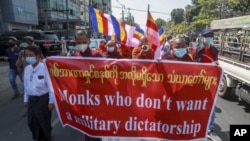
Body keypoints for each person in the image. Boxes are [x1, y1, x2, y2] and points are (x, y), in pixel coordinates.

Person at [74, 30, 103, 141]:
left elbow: (112, 67)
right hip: (81, 97)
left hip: (95, 96)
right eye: (79, 42)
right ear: (75, 42)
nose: (82, 44)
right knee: (85, 125)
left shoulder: (97, 55)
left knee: (95, 124)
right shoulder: (74, 57)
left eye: (84, 41)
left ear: (89, 40)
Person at [23, 45, 54, 141]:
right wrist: (25, 99)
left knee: (44, 122)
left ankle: (46, 138)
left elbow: (50, 87)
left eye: (31, 55)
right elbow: (26, 85)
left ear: (38, 56)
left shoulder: (45, 68)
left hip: (43, 99)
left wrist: (51, 102)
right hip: (32, 99)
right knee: (31, 122)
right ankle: (38, 137)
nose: (28, 57)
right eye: (27, 55)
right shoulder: (27, 69)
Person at [195, 28, 221, 141]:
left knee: (211, 106)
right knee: (196, 105)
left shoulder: (215, 50)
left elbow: (217, 63)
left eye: (211, 36)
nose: (209, 38)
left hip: (210, 83)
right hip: (198, 83)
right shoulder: (196, 51)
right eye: (207, 36)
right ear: (202, 38)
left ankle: (209, 129)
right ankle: (195, 126)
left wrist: (216, 65)